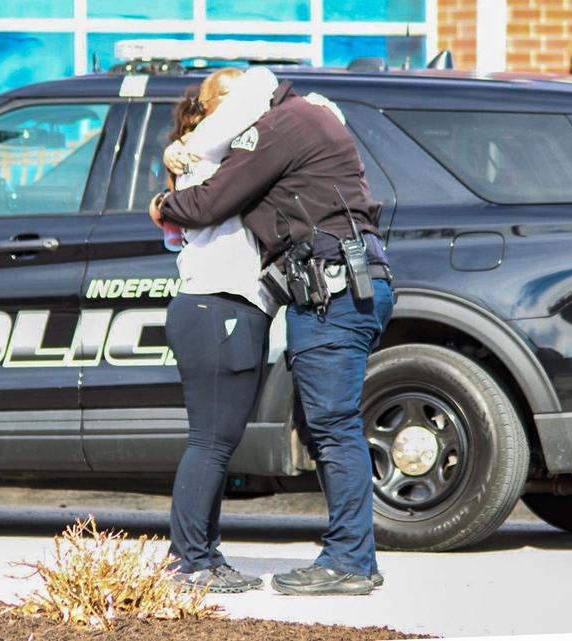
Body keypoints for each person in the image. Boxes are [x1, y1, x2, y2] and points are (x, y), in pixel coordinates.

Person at [151, 77, 394, 596]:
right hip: (281, 295)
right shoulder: (303, 117)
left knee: (329, 428)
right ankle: (195, 559)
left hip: (327, 290)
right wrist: (172, 190)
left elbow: (205, 204)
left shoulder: (276, 127)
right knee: (290, 431)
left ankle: (348, 560)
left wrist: (165, 199)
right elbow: (201, 208)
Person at [150, 67, 281, 593]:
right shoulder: (205, 150)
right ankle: (189, 563)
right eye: (227, 100)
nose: (248, 107)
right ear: (212, 111)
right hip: (214, 306)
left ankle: (206, 553)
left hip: (231, 307)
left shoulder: (221, 153)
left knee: (218, 445)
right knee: (209, 442)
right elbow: (255, 93)